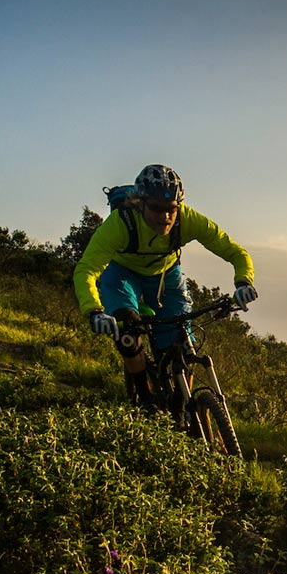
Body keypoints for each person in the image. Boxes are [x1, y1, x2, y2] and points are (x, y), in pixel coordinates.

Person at [73, 163, 258, 410]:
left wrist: (243, 282)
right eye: (157, 209)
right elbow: (86, 269)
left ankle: (185, 406)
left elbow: (235, 252)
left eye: (171, 209)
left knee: (183, 342)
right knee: (128, 336)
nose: (165, 216)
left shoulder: (187, 218)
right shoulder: (121, 224)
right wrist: (94, 310)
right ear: (140, 204)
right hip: (122, 275)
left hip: (165, 276)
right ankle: (145, 401)